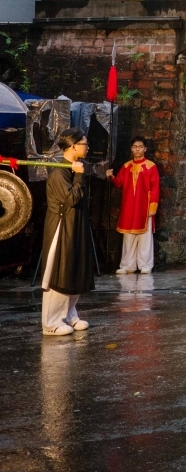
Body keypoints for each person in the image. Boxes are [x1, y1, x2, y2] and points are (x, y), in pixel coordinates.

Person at [40, 128, 95, 336]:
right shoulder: (58, 173)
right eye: (84, 143)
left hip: (76, 224)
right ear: (73, 146)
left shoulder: (74, 169)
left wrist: (78, 174)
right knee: (60, 270)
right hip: (62, 226)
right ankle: (51, 322)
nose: (87, 147)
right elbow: (71, 199)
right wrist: (79, 176)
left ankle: (69, 314)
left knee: (75, 268)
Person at [108, 136, 160, 275]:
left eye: (140, 146)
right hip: (129, 206)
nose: (138, 149)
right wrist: (111, 177)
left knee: (145, 237)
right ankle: (127, 265)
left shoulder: (151, 166)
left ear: (145, 148)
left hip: (145, 205)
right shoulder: (126, 166)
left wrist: (153, 206)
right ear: (131, 149)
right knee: (128, 237)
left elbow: (155, 187)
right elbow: (119, 183)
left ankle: (145, 265)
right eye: (135, 147)